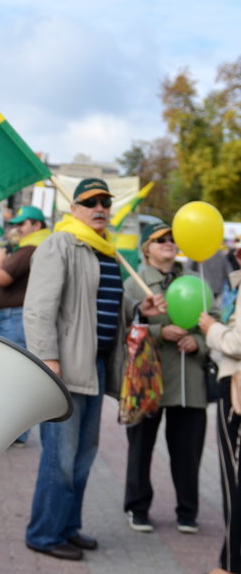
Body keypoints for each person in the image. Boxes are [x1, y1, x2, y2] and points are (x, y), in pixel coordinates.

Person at [23, 178, 166, 561]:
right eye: (91, 201)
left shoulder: (106, 251)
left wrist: (138, 309)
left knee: (83, 458)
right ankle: (43, 533)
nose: (100, 207)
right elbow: (38, 309)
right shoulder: (59, 244)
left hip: (96, 367)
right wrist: (48, 360)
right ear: (75, 209)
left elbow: (101, 304)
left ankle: (67, 527)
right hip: (64, 369)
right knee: (60, 458)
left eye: (105, 201)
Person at [123, 221, 212, 534]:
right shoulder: (135, 283)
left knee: (188, 452)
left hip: (189, 382)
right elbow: (125, 331)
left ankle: (187, 511)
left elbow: (213, 324)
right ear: (147, 247)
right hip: (148, 381)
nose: (169, 243)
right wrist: (161, 331)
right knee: (140, 448)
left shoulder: (194, 280)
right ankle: (137, 507)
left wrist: (198, 342)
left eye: (173, 238)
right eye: (161, 239)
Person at [0, 205, 50, 445]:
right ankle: (15, 432)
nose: (17, 229)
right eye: (15, 224)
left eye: (22, 224)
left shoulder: (30, 248)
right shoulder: (34, 246)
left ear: (36, 225)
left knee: (13, 376)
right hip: (16, 317)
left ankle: (13, 432)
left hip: (17, 318)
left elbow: (2, 277)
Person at [198, 246, 241, 574]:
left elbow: (237, 344)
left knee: (234, 481)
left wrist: (211, 327)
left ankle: (230, 565)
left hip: (237, 391)